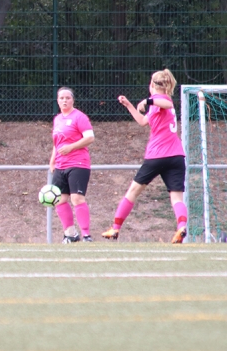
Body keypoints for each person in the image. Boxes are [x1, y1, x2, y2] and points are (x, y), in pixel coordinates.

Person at [102, 69, 188, 243]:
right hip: (176, 156)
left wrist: (147, 100)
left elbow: (166, 103)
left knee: (132, 192)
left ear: (152, 85)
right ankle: (181, 227)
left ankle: (115, 228)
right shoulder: (157, 104)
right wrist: (129, 105)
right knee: (176, 197)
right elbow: (142, 121)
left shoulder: (162, 100)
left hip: (157, 155)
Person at [49, 87, 95, 243]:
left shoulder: (79, 117)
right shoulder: (57, 119)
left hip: (78, 163)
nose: (64, 100)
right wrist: (53, 160)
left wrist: (71, 147)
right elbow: (57, 143)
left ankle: (86, 235)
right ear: (57, 100)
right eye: (61, 98)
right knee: (59, 200)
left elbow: (90, 137)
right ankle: (70, 234)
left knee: (77, 198)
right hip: (61, 165)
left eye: (67, 98)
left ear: (73, 100)